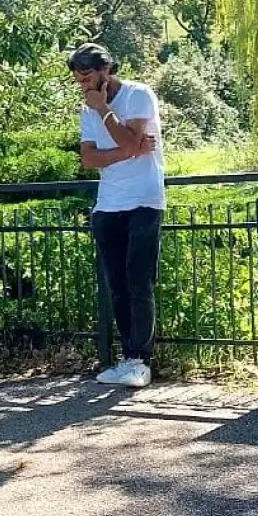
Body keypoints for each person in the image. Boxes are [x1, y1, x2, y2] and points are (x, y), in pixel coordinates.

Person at [71, 42, 165, 388]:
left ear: (105, 71)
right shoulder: (85, 110)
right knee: (118, 286)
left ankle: (141, 360)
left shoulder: (138, 95)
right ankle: (127, 357)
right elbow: (88, 159)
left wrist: (104, 111)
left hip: (144, 199)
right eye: (78, 80)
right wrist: (128, 150)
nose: (83, 85)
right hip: (107, 205)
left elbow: (128, 141)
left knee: (140, 281)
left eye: (88, 78)